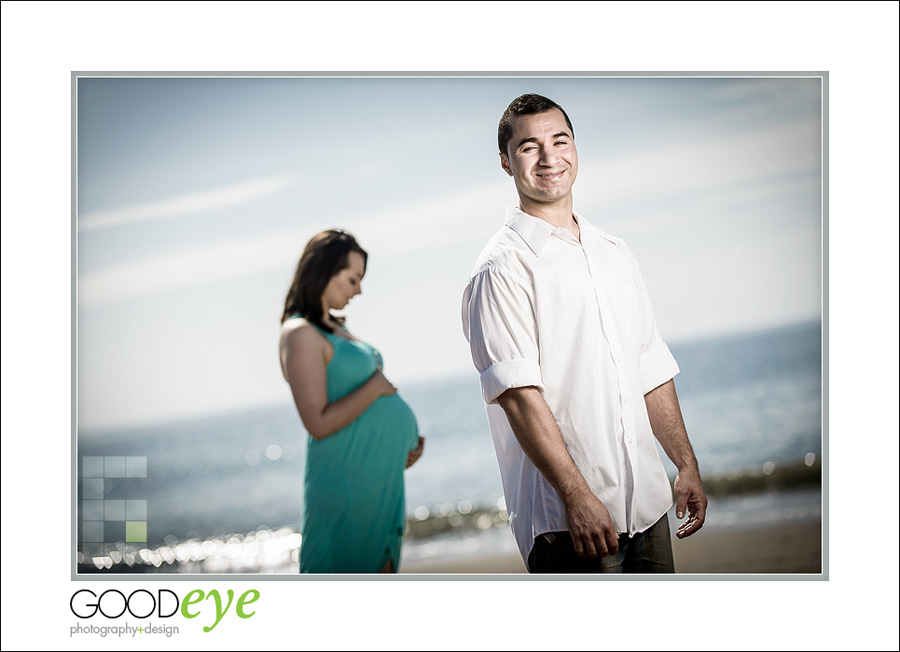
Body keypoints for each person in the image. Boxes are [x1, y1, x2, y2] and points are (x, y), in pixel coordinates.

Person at [461, 94, 707, 573]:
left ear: (576, 147)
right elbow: (519, 397)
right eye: (530, 147)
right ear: (506, 163)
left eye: (560, 140)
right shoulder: (501, 268)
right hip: (569, 522)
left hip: (648, 508)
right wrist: (577, 496)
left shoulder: (615, 251)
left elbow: (650, 367)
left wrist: (685, 464)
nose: (550, 157)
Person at [280, 229, 424, 573]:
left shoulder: (334, 328)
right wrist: (375, 387)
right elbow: (317, 421)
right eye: (352, 279)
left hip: (377, 486)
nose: (358, 290)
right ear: (323, 272)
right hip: (345, 491)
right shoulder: (299, 333)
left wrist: (398, 447)